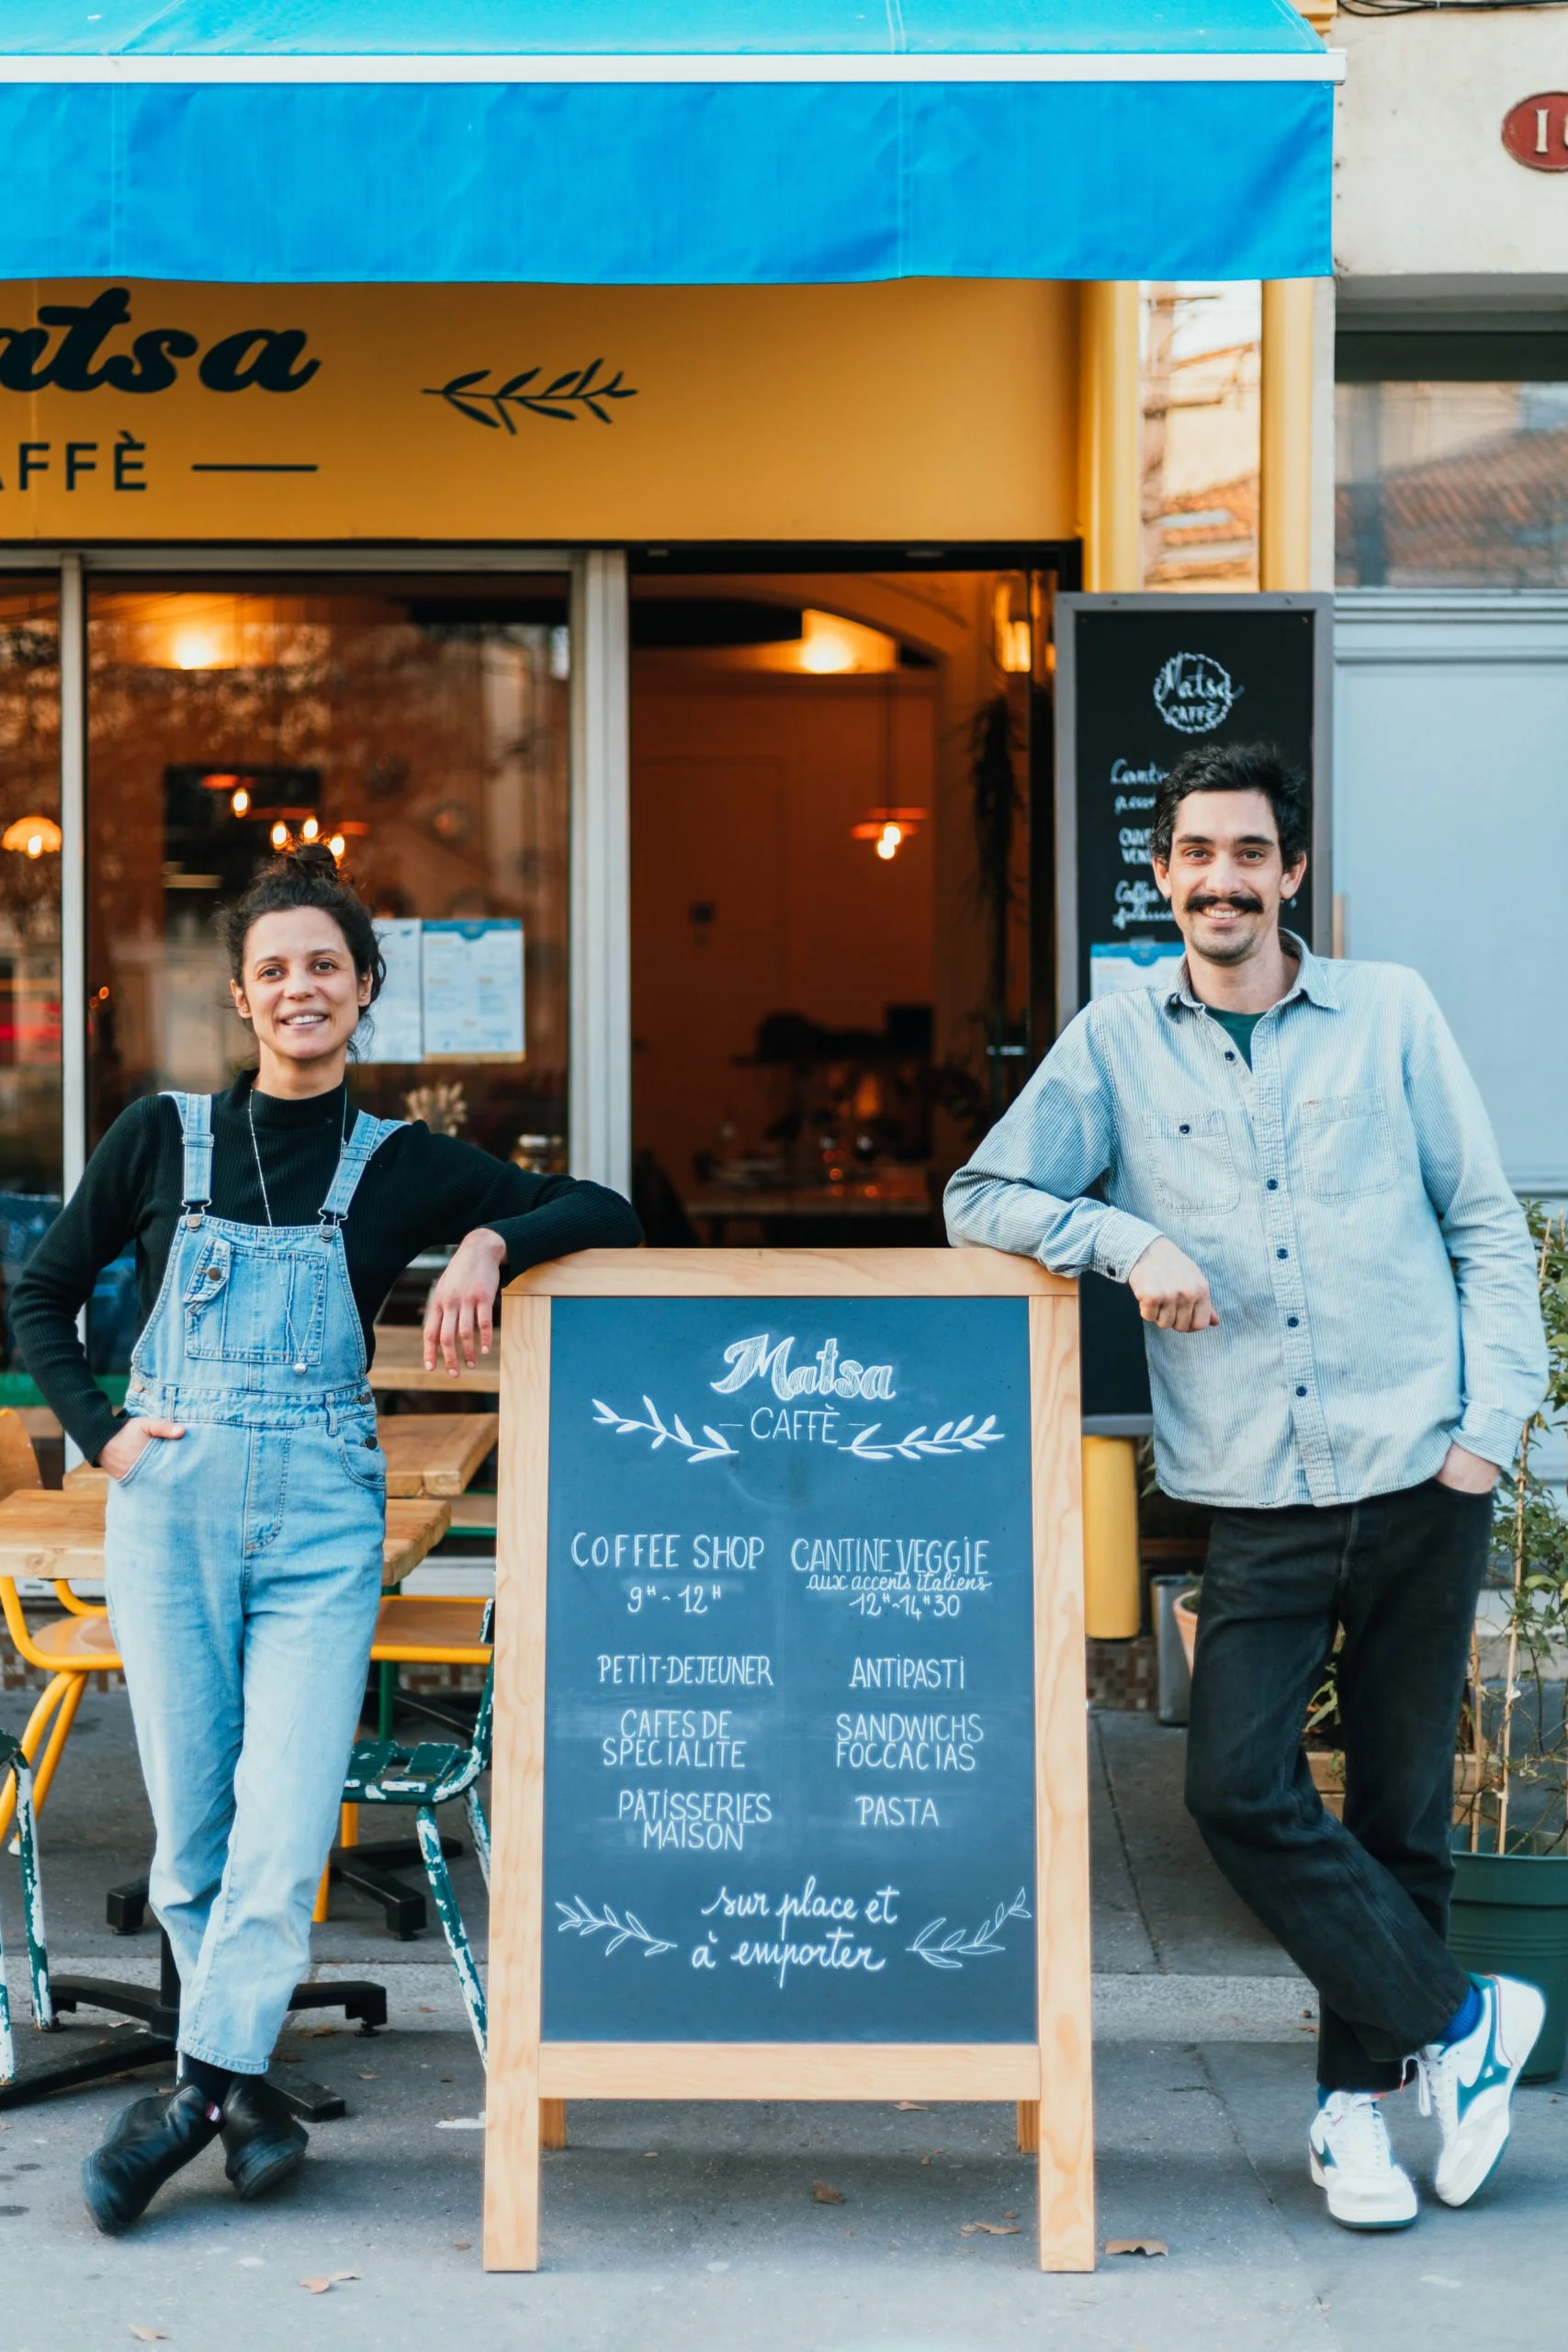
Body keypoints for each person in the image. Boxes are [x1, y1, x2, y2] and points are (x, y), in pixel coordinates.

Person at [945, 741, 1548, 2233]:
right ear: (1161, 876)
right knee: (1235, 1786)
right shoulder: (1113, 1040)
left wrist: (1490, 1431)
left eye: (1246, 854)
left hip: (1422, 1464)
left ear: (1288, 872)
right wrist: (1125, 1245)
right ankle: (1463, 2022)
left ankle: (1365, 2115)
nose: (1218, 879)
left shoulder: (1389, 1012)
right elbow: (979, 1197)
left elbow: (1481, 1224)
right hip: (1252, 1489)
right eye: (1193, 855)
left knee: (1402, 1811)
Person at [13, 844, 641, 2233]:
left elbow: (603, 1208)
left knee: (284, 1823)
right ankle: (240, 2092)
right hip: (165, 1512)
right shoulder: (157, 1136)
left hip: (318, 1527)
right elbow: (44, 1298)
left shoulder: (404, 1163)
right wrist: (103, 1432)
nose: (301, 988)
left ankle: (183, 2102)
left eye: (326, 968)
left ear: (364, 993)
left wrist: (485, 1242)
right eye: (275, 969)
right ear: (241, 997)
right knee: (189, 1839)